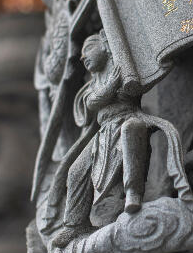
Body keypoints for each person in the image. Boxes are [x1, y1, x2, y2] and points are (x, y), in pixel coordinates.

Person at [57, 30, 149, 240]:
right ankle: (74, 224)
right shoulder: (96, 83)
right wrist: (109, 88)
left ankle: (133, 194)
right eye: (81, 53)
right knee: (75, 171)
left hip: (127, 119)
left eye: (88, 48)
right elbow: (91, 102)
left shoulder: (122, 65)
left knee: (131, 132)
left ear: (105, 46)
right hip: (104, 132)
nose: (82, 57)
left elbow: (133, 88)